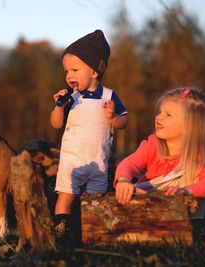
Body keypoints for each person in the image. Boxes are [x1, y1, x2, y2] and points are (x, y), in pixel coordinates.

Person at [50, 29, 128, 244]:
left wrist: (113, 117)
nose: (69, 76)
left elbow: (123, 123)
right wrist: (59, 107)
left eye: (74, 69)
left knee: (94, 200)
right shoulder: (72, 98)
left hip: (98, 161)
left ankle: (92, 232)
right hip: (71, 161)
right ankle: (61, 230)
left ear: (95, 71)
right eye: (67, 71)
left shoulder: (109, 96)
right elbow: (56, 124)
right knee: (65, 195)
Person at [114, 86, 205, 230]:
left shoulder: (198, 154)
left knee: (202, 187)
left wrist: (185, 192)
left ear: (190, 126)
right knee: (132, 194)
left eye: (168, 115)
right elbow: (129, 163)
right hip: (152, 197)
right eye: (160, 112)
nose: (159, 117)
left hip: (186, 204)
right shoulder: (152, 145)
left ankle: (196, 225)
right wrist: (123, 180)